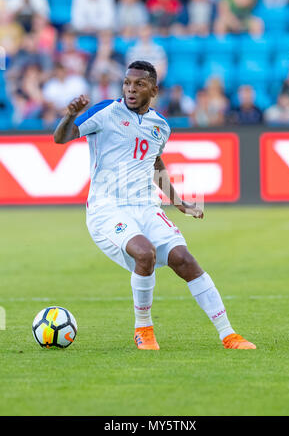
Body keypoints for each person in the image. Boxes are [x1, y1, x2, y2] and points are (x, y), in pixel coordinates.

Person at [53, 60, 256, 351]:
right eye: (127, 83)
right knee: (144, 252)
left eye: (139, 84)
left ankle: (228, 334)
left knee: (185, 260)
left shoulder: (160, 125)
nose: (131, 89)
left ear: (154, 89)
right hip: (108, 208)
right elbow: (61, 138)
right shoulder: (105, 112)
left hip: (147, 207)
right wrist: (70, 115)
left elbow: (155, 163)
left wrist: (179, 202)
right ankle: (143, 330)